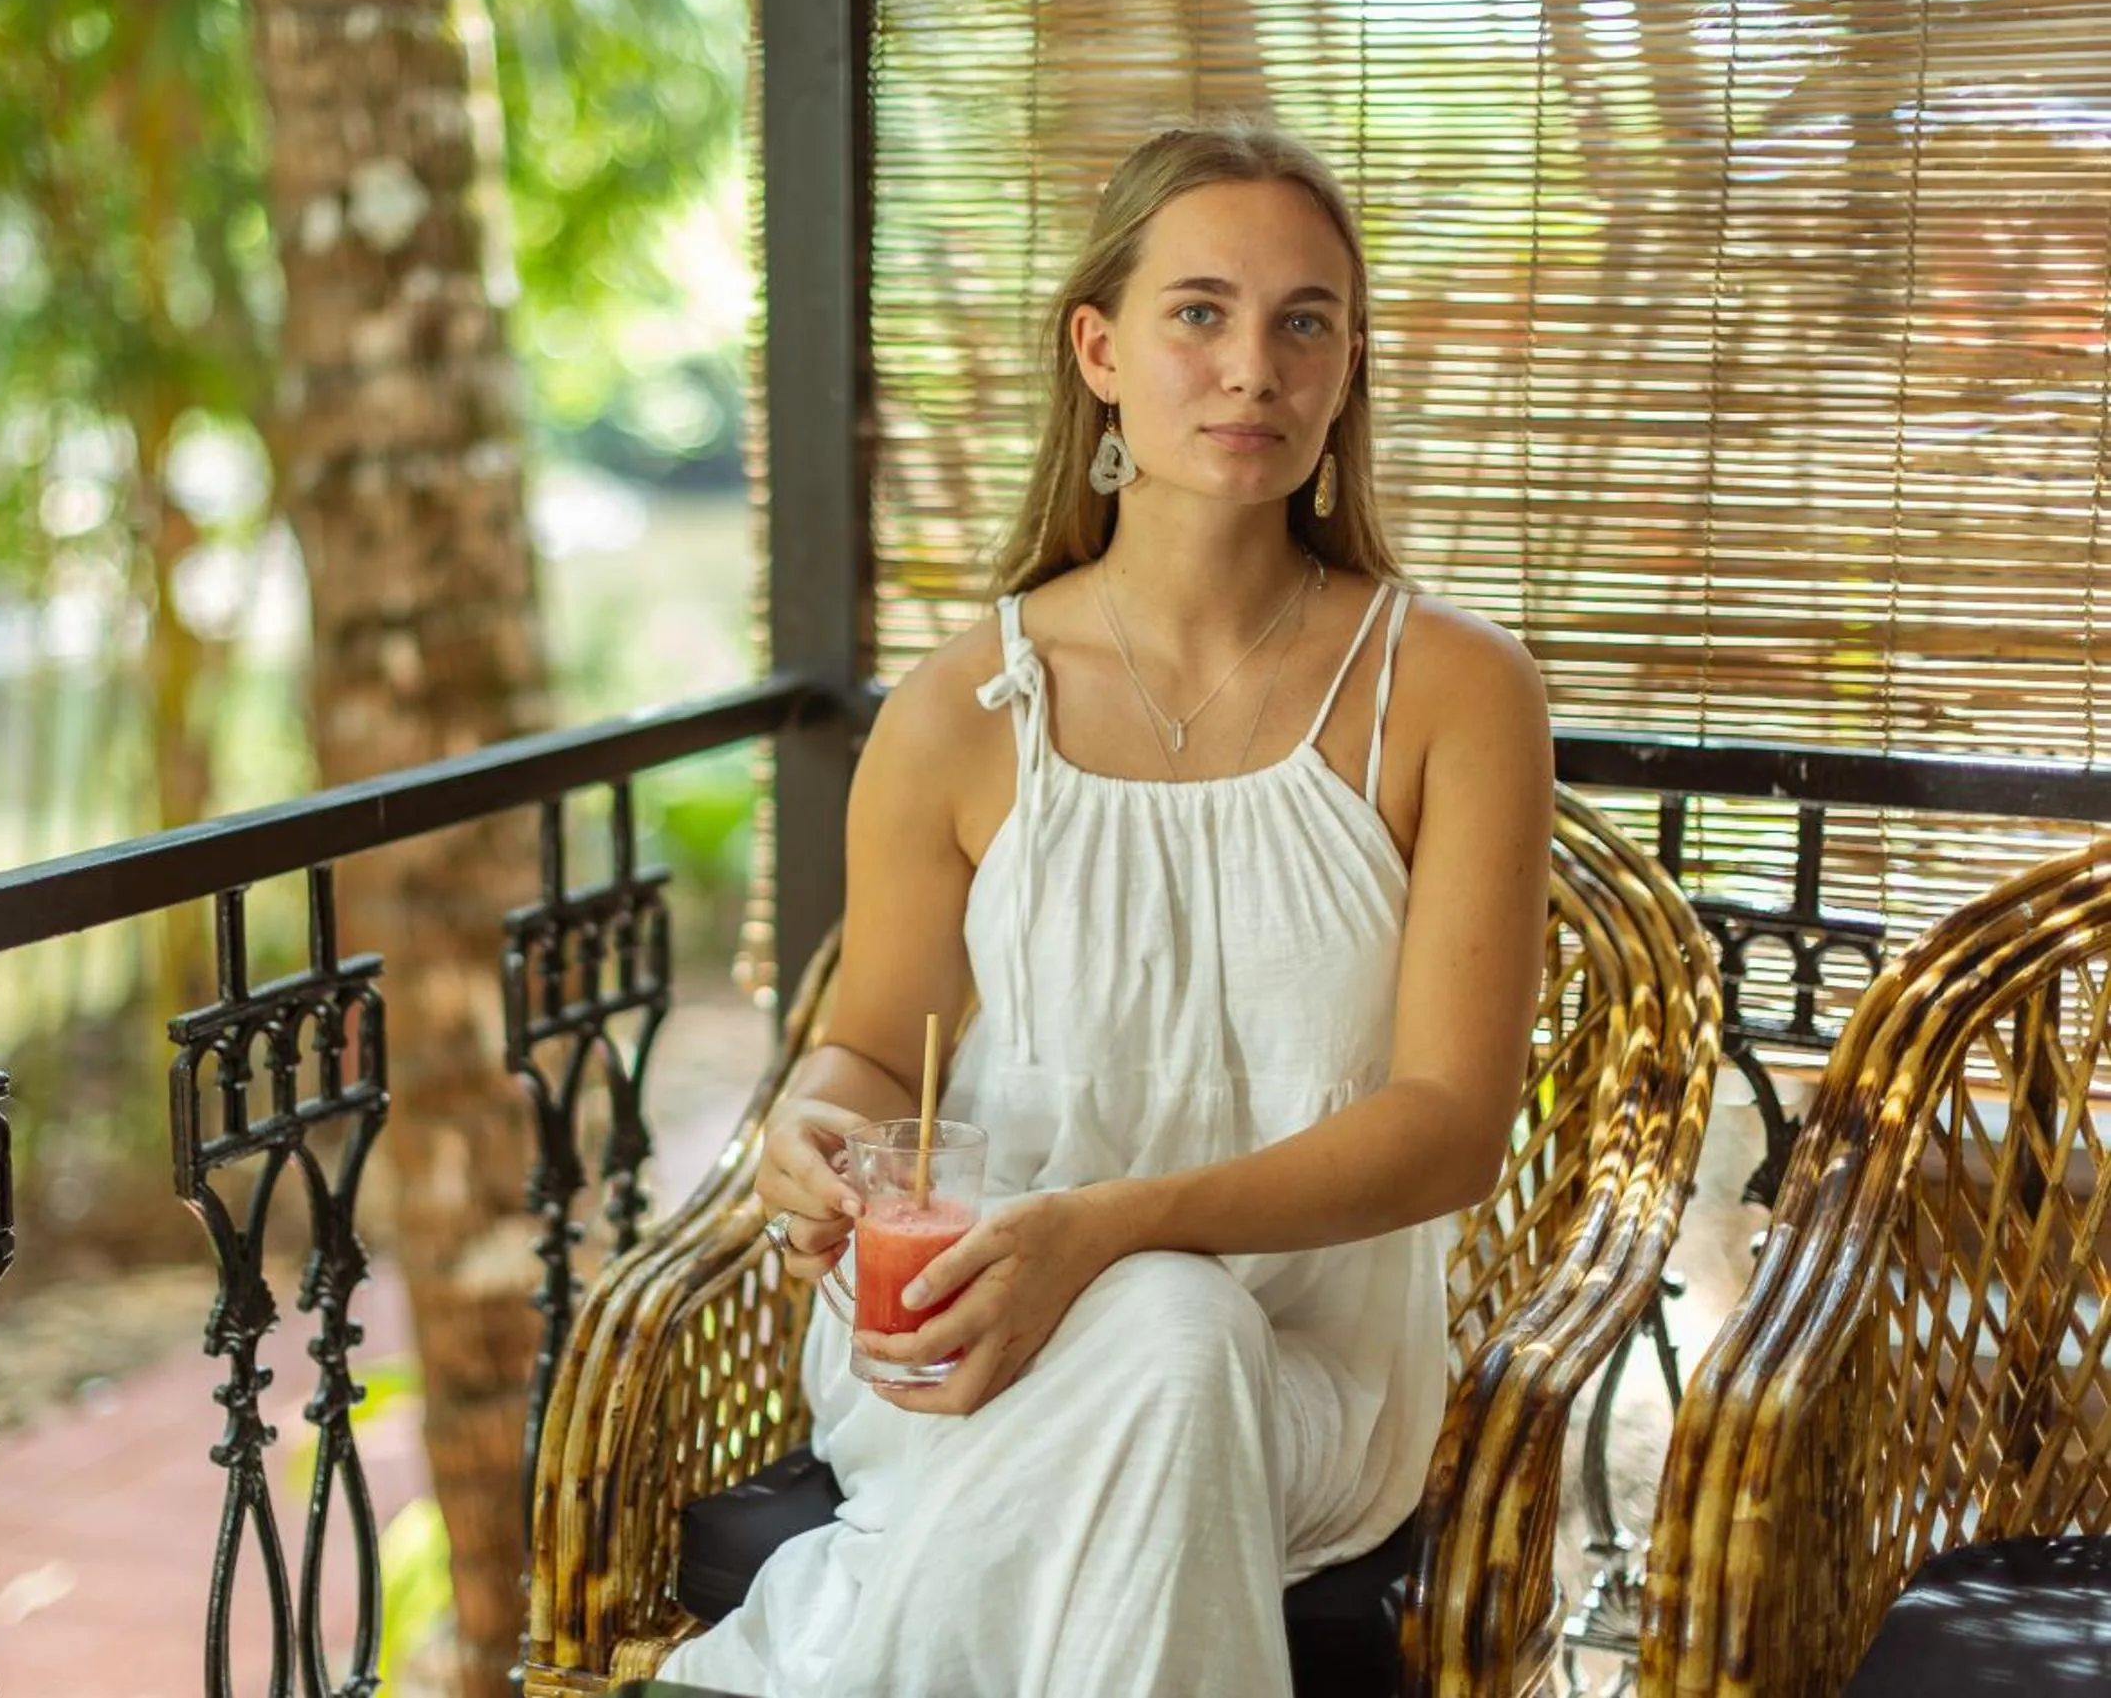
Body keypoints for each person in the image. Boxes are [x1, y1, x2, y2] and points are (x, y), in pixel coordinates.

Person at [659, 117, 1555, 1697]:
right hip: (958, 1341)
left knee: (1173, 1328)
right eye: (1197, 312)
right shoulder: (961, 708)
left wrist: (1109, 1233)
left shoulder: (1453, 693)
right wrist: (810, 1128)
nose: (1252, 368)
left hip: (1299, 1381)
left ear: (1347, 368)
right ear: (1099, 349)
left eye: (1304, 323)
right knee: (1155, 1331)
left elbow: (1449, 1127)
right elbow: (871, 1051)